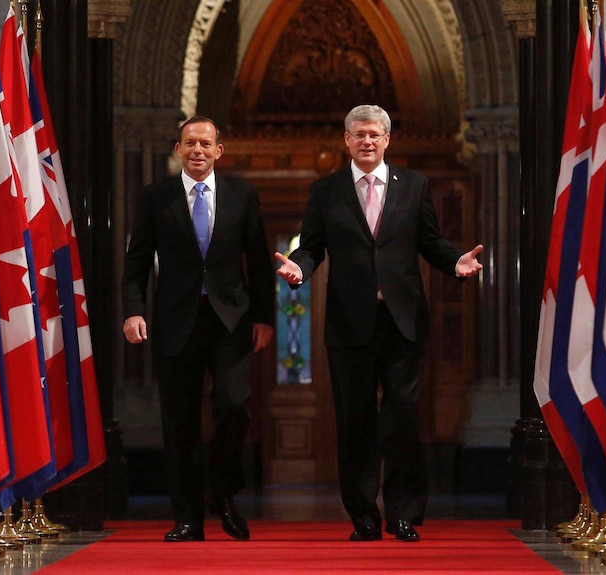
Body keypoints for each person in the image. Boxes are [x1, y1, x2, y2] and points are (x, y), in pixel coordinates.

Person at [275, 105, 483, 542]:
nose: (367, 141)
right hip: (349, 324)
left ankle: (404, 515)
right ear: (346, 140)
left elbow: (430, 241)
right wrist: (299, 267)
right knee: (355, 422)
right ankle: (364, 518)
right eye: (358, 134)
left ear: (387, 140)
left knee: (403, 419)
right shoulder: (325, 191)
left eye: (374, 134)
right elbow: (311, 246)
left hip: (403, 321)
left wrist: (454, 262)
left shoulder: (415, 186)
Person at [122, 116, 274, 542]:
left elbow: (259, 262)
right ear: (177, 149)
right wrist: (133, 311)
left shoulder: (243, 195)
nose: (198, 151)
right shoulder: (157, 197)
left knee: (233, 406)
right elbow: (136, 262)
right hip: (176, 320)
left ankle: (224, 496)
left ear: (219, 150)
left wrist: (264, 317)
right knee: (179, 420)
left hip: (231, 320)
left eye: (206, 144)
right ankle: (187, 516)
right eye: (190, 143)